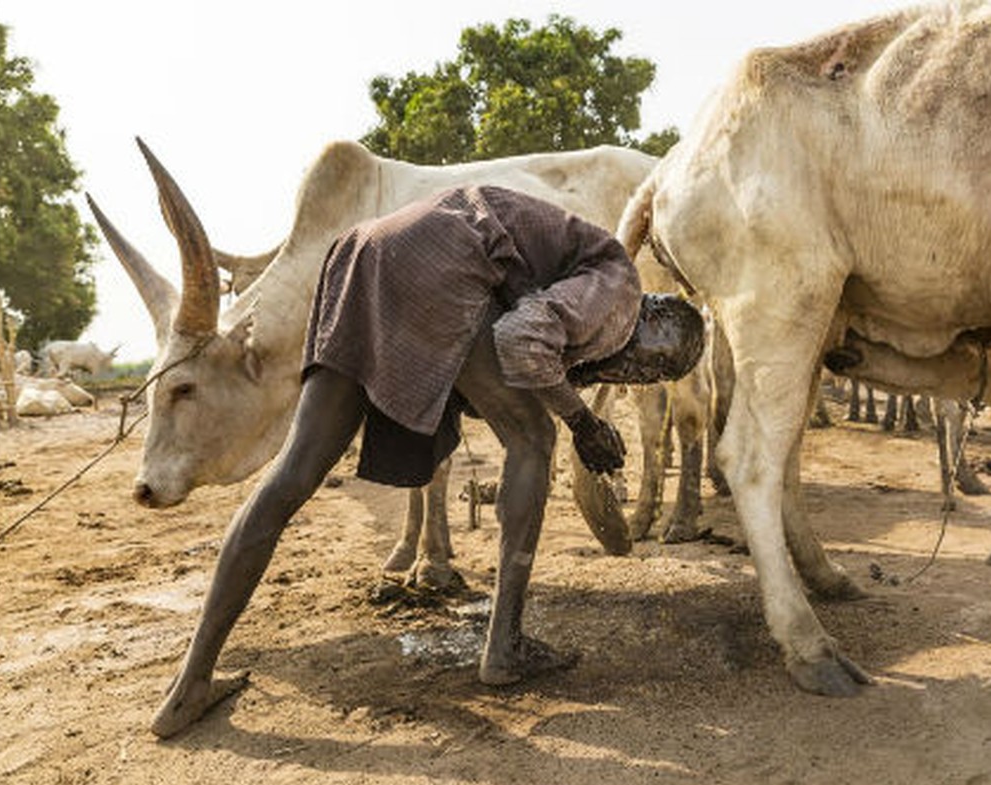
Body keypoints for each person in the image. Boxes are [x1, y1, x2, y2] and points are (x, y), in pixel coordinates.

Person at [150, 185, 703, 738]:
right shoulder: (619, 286)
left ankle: (189, 687)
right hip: (441, 253)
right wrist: (583, 423)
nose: (639, 378)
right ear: (652, 320)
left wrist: (571, 400)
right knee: (533, 438)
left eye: (654, 378)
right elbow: (518, 337)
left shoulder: (587, 294)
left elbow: (506, 345)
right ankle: (505, 647)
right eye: (653, 366)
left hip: (363, 254)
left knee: (295, 471)